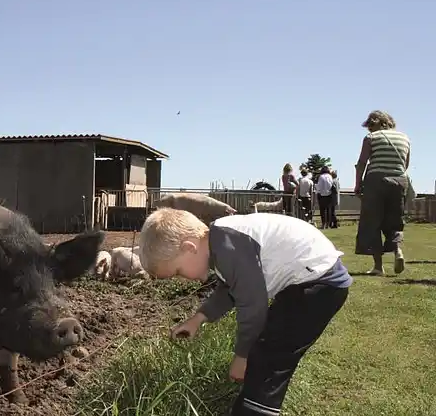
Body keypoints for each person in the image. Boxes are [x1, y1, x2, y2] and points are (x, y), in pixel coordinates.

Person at [138, 208, 351, 416]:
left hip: (318, 284)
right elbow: (231, 290)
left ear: (189, 248)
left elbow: (252, 305)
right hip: (311, 282)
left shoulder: (229, 247)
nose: (182, 279)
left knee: (270, 357)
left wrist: (242, 356)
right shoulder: (221, 241)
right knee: (268, 351)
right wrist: (197, 319)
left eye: (178, 272)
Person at [354, 110, 411, 275]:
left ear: (376, 123)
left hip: (376, 180)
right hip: (400, 180)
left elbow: (362, 162)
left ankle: (378, 267)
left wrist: (358, 185)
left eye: (370, 126)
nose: (369, 130)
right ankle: (398, 251)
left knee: (372, 222)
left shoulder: (371, 138)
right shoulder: (405, 138)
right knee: (395, 220)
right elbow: (405, 164)